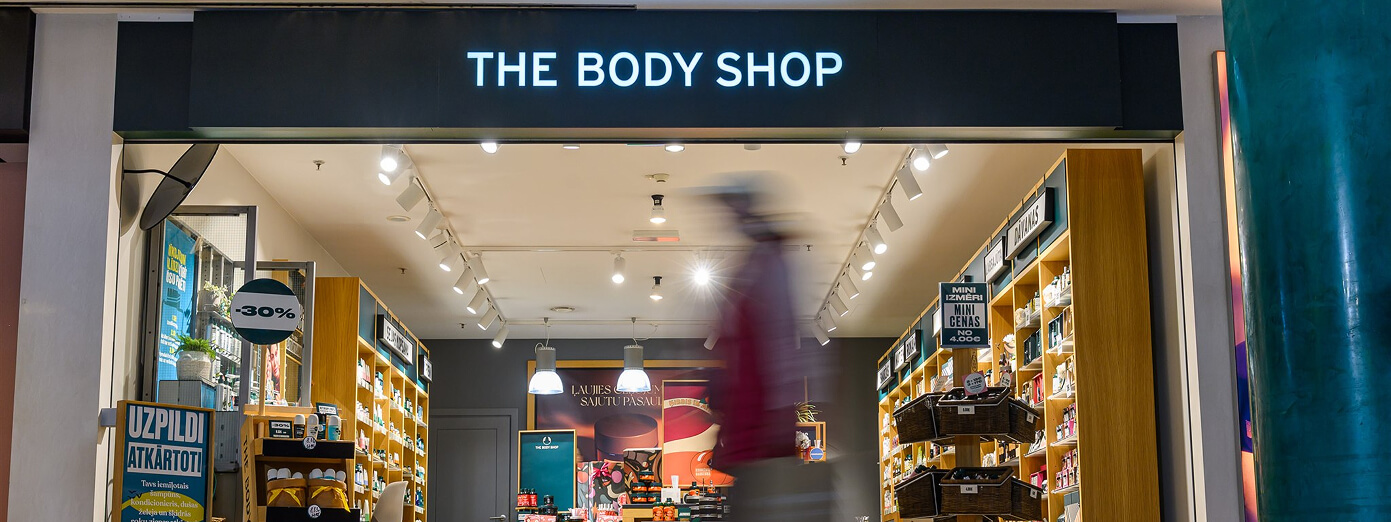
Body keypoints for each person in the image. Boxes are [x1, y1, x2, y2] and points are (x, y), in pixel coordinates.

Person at [705, 174, 830, 522]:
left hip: (761, 437)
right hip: (751, 436)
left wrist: (776, 422)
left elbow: (782, 353)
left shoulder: (771, 269)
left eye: (737, 210)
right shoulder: (751, 272)